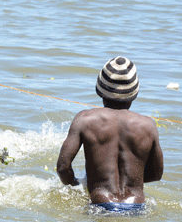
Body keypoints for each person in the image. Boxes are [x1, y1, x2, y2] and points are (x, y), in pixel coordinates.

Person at [56, 56, 164, 213]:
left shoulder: (85, 119)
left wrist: (78, 185)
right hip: (137, 207)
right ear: (134, 93)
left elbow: (63, 167)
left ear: (100, 89)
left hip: (100, 205)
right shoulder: (148, 125)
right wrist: (134, 182)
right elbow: (156, 174)